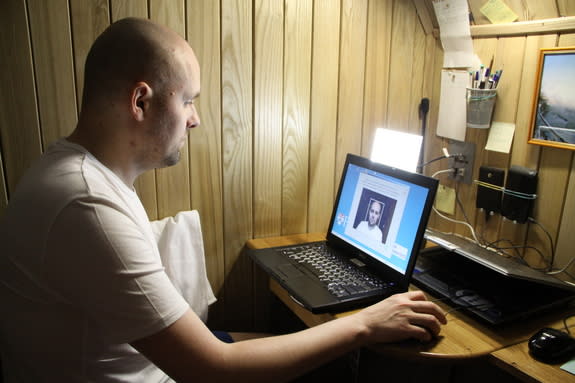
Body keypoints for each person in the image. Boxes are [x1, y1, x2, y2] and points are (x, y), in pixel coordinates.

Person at [0, 17, 446, 383]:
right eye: (189, 101)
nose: (195, 119)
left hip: (159, 367)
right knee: (331, 366)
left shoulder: (82, 175)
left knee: (307, 350)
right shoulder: (85, 203)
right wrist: (366, 323)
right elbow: (211, 369)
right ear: (140, 101)